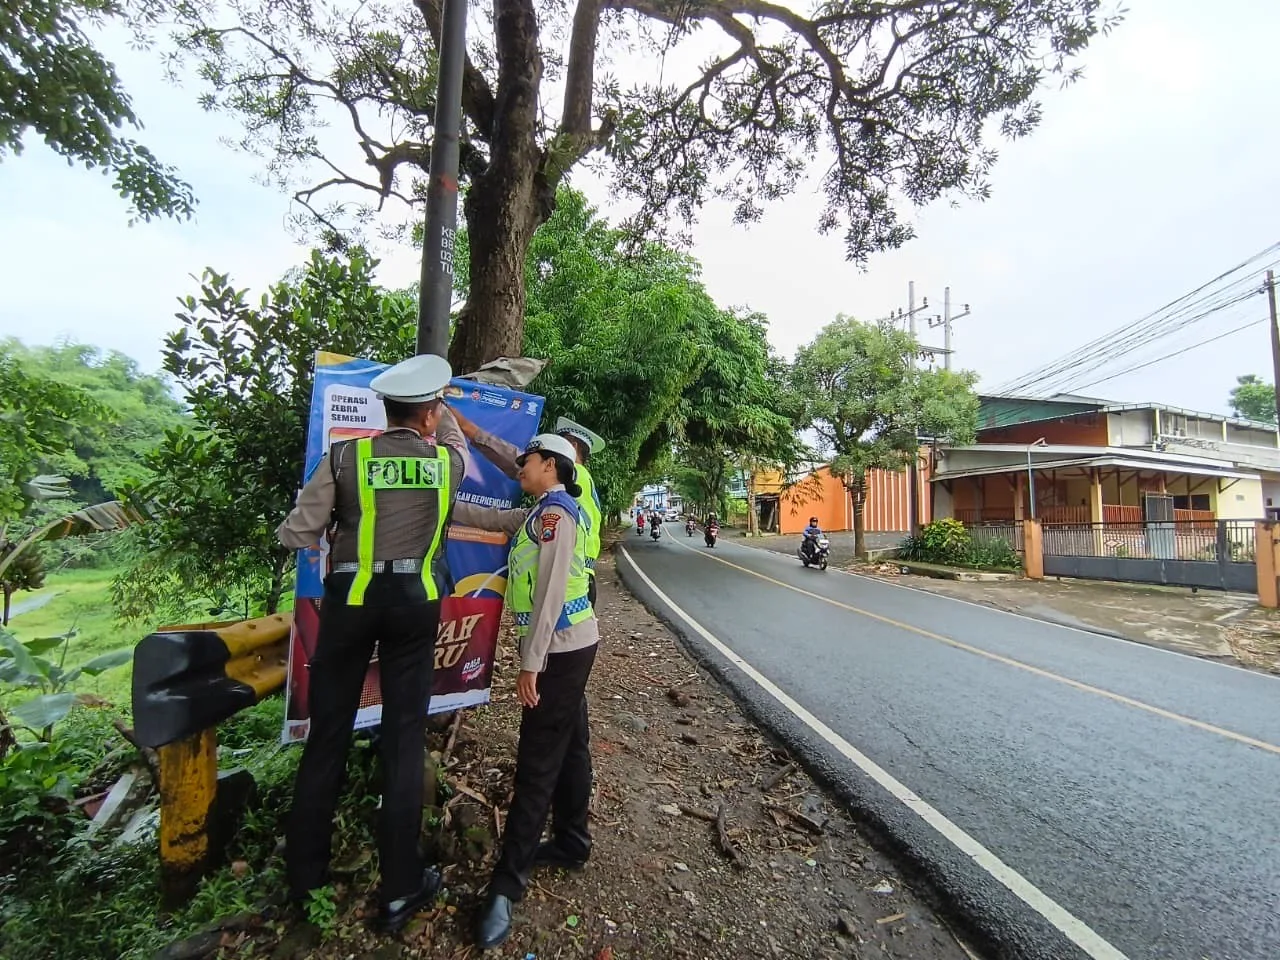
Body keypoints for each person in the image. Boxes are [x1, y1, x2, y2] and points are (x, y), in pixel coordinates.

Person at [275, 354, 469, 933]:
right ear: (431, 415)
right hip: (415, 606)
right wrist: (445, 404)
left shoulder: (347, 456)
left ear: (384, 410)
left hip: (350, 606)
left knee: (327, 735)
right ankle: (399, 889)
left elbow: (298, 533)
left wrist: (331, 529)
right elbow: (454, 437)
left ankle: (304, 880)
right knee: (404, 739)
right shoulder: (446, 463)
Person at [450, 434, 600, 950]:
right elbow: (493, 522)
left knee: (537, 762)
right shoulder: (542, 512)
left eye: (527, 461)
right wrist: (441, 502)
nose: (520, 466)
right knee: (571, 745)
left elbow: (553, 595)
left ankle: (506, 884)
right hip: (571, 646)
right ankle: (572, 840)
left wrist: (530, 664)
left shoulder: (556, 516)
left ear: (552, 466)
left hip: (559, 648)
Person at [448, 409, 607, 607]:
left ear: (570, 448)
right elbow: (503, 518)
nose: (526, 466)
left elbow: (515, 460)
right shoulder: (573, 494)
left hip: (566, 591)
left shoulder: (575, 475)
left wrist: (469, 429)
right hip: (579, 583)